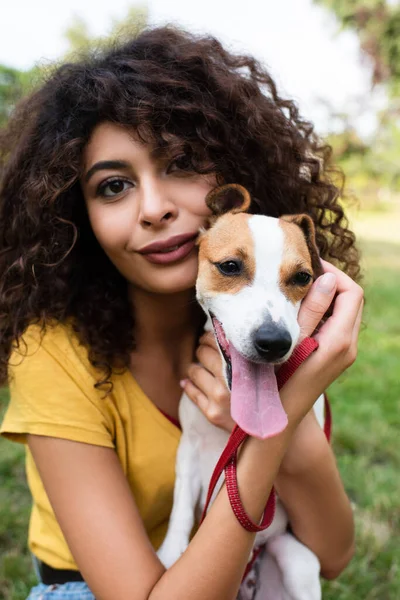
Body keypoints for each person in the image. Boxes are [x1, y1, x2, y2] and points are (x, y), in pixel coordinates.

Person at [0, 25, 363, 600]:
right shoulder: (51, 356)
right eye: (114, 186)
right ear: (75, 211)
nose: (154, 209)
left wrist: (281, 403)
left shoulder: (258, 329)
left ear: (233, 181)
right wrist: (277, 421)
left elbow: (332, 556)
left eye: (182, 163)